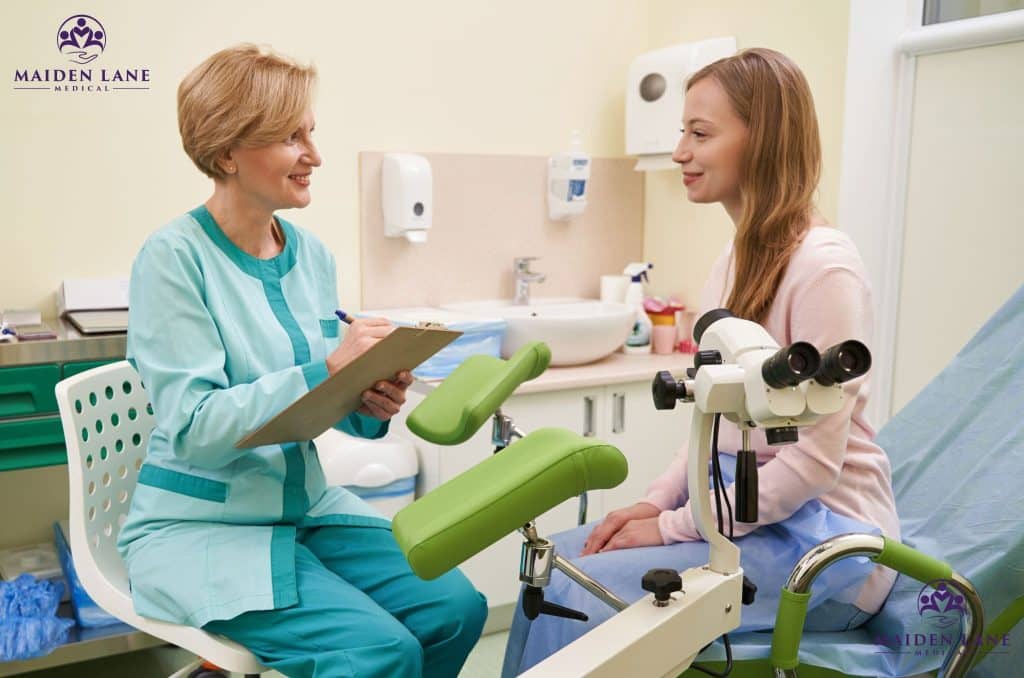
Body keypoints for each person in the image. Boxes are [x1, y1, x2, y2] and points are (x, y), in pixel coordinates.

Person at [503, 47, 900, 674]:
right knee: (556, 563)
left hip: (829, 545)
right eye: (681, 132)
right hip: (746, 514)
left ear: (762, 140)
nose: (681, 152)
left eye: (700, 133)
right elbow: (712, 427)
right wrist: (657, 506)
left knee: (582, 588)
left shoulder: (824, 267)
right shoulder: (734, 262)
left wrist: (674, 528)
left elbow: (814, 465)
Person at [117, 44, 486, 678]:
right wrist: (331, 371)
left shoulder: (310, 255)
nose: (315, 155)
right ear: (228, 152)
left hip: (303, 507)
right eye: (292, 137)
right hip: (200, 526)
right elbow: (199, 430)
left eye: (311, 132)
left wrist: (371, 401)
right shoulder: (174, 259)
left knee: (454, 609)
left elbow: (325, 406)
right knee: (377, 651)